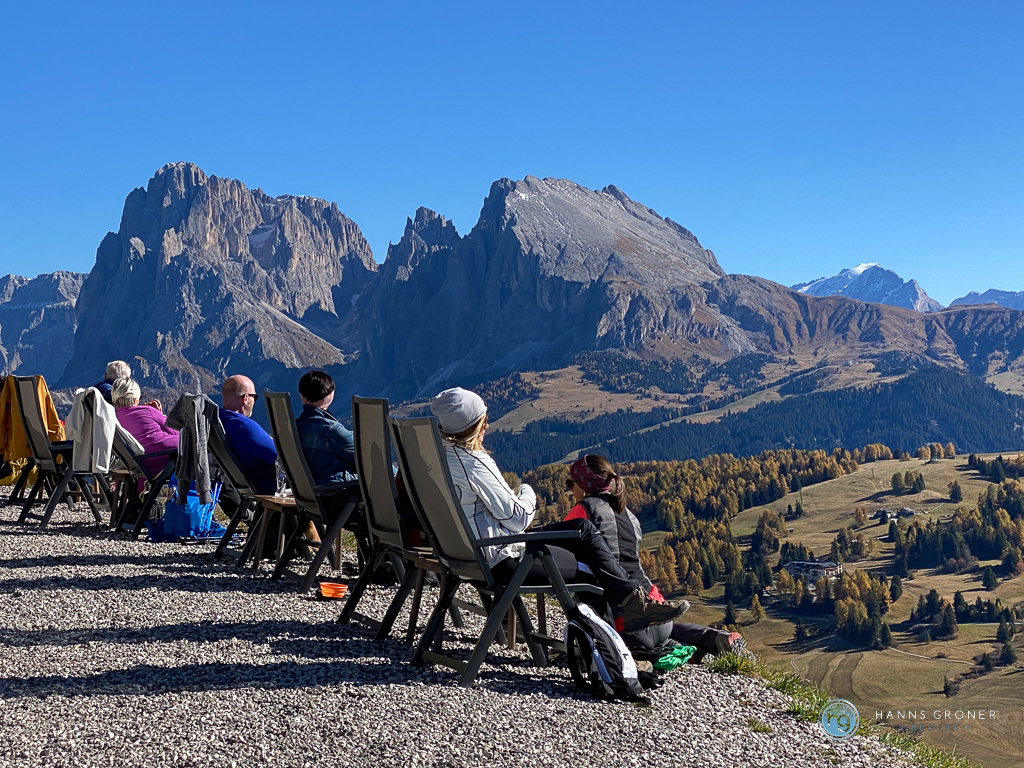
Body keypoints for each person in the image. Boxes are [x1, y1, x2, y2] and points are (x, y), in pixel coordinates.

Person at [430, 387, 688, 632]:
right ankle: (603, 643)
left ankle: (629, 606)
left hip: (460, 554)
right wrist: (526, 491)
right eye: (483, 419)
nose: (487, 425)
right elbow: (518, 518)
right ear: (472, 426)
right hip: (500, 560)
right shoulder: (474, 462)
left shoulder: (437, 456)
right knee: (590, 559)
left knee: (583, 530)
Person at [563, 454, 752, 661]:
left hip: (620, 617)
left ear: (582, 484)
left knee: (636, 644)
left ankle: (692, 652)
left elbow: (557, 552)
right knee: (661, 632)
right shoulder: (629, 515)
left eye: (570, 484)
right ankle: (713, 638)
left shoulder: (584, 511)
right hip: (656, 606)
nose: (570, 490)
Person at [219, 375, 277, 495]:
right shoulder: (244, 426)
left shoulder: (219, 421)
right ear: (245, 398)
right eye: (254, 397)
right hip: (269, 487)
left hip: (246, 485)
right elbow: (281, 458)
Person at [295, 370, 355, 484]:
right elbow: (365, 457)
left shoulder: (293, 427)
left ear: (301, 396)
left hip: (309, 492)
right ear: (329, 396)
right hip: (337, 493)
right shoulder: (331, 430)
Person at [111, 378, 179, 476]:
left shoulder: (114, 417)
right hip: (165, 456)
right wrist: (161, 414)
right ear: (134, 398)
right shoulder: (147, 410)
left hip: (141, 463)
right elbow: (175, 431)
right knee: (198, 445)